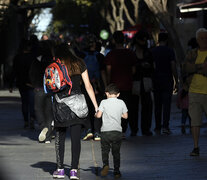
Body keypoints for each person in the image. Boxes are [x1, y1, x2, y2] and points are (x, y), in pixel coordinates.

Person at [51, 43, 98, 179]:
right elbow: (88, 86)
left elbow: (51, 85)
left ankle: (60, 170)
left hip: (60, 104)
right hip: (77, 104)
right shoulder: (79, 63)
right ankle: (73, 171)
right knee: (76, 138)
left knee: (60, 137)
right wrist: (95, 105)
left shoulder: (56, 64)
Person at [105, 31, 136, 138]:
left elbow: (108, 71)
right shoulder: (130, 53)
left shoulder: (110, 55)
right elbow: (134, 70)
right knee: (126, 108)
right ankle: (123, 130)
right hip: (127, 85)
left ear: (114, 41)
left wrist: (108, 84)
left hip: (114, 86)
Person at [183, 28, 207, 156]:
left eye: (206, 38)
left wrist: (196, 68)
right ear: (197, 40)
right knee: (195, 122)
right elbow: (186, 68)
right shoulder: (192, 53)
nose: (204, 40)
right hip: (194, 92)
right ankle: (196, 147)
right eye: (201, 38)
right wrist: (200, 67)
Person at [95, 83, 128, 178]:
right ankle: (117, 171)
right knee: (116, 152)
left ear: (106, 93)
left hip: (105, 132)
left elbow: (99, 115)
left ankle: (105, 165)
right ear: (118, 94)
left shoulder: (103, 102)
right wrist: (118, 115)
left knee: (105, 150)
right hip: (117, 132)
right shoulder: (121, 102)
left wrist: (95, 114)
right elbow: (126, 116)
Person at [151, 32, 178, 135]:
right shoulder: (170, 51)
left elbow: (152, 66)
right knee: (167, 104)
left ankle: (158, 126)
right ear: (166, 40)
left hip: (156, 80)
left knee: (157, 104)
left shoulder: (153, 51)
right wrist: (176, 79)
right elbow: (173, 66)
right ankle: (165, 126)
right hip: (167, 80)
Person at [29, 40, 55, 143]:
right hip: (50, 89)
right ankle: (48, 137)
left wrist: (34, 84)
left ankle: (43, 126)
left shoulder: (36, 61)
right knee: (49, 112)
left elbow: (31, 73)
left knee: (38, 109)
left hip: (39, 88)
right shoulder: (52, 61)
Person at [82, 38, 106, 141]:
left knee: (86, 107)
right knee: (98, 106)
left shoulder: (82, 56)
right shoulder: (100, 56)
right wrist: (105, 85)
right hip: (98, 85)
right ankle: (97, 132)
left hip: (85, 84)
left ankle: (88, 130)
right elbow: (103, 72)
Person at [131, 30, 154, 136]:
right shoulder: (131, 52)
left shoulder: (148, 52)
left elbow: (153, 66)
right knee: (133, 107)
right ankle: (134, 129)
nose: (144, 42)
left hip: (146, 81)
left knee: (147, 105)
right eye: (142, 40)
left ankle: (145, 128)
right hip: (135, 81)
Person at [9, 39, 36, 129]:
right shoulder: (33, 57)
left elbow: (14, 71)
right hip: (31, 83)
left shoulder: (17, 57)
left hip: (21, 82)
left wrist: (11, 84)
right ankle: (32, 118)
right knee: (32, 102)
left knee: (24, 102)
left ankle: (26, 121)